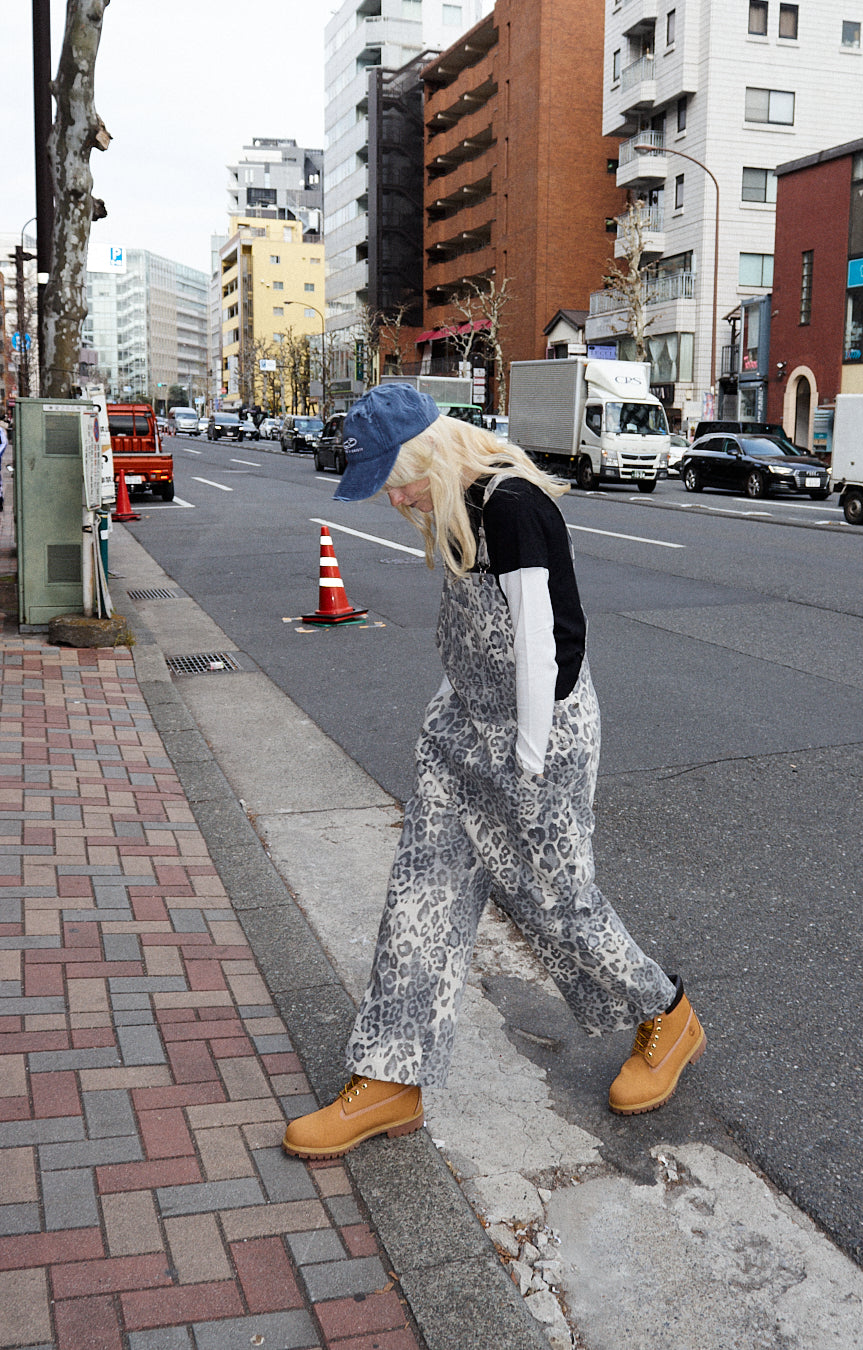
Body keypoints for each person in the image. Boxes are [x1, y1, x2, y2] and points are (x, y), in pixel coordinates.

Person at [283, 384, 704, 1160]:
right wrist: (452, 719)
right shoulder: (450, 512)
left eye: (397, 476)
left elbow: (542, 650)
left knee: (558, 901)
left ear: (430, 454)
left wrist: (529, 765)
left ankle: (667, 1015)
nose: (393, 494)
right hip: (461, 734)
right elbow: (476, 642)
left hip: (541, 734)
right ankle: (388, 1078)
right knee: (422, 892)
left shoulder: (511, 506)